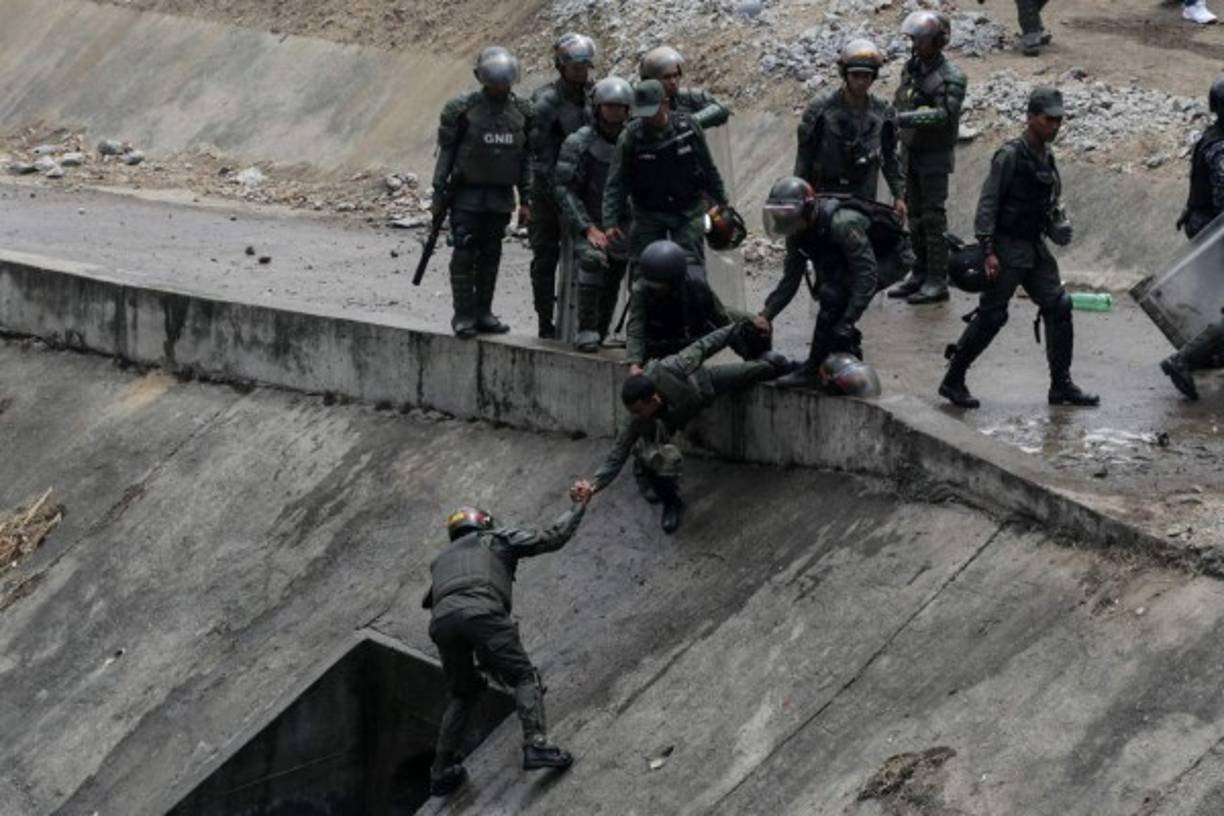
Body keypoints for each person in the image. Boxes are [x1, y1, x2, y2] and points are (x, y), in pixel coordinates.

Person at [939, 87, 1099, 409]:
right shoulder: (1011, 155)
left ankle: (1061, 384)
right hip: (1006, 247)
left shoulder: (1046, 157)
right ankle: (954, 378)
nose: (1054, 126)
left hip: (1033, 247)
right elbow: (988, 204)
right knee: (992, 315)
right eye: (1048, 119)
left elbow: (1049, 203)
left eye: (1058, 120)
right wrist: (988, 250)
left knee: (1059, 305)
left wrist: (1056, 228)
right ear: (1030, 118)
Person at [424, 492, 590, 797]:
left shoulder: (441, 560)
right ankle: (536, 745)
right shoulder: (495, 538)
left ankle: (440, 772)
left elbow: (430, 599)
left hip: (442, 623)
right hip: (482, 611)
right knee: (524, 676)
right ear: (484, 523)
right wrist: (579, 505)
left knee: (463, 693)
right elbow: (553, 537)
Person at [571, 323, 789, 534]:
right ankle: (671, 503)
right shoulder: (637, 421)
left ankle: (809, 370)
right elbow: (616, 456)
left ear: (653, 399)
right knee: (653, 461)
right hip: (662, 430)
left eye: (639, 410)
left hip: (704, 386)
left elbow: (707, 344)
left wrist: (741, 326)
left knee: (768, 368)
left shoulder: (673, 368)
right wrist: (593, 485)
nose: (635, 416)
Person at [759, 176, 912, 387]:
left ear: (807, 210)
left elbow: (866, 277)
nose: (783, 223)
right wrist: (766, 315)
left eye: (788, 216)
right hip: (850, 256)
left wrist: (848, 320)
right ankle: (842, 352)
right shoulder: (797, 229)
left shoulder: (843, 223)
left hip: (891, 257)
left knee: (835, 296)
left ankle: (813, 369)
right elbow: (790, 280)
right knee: (830, 291)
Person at [432, 47, 533, 339]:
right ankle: (463, 315)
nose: (500, 86)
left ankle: (484, 312)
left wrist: (526, 199)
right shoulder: (462, 110)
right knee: (464, 253)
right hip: (466, 196)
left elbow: (525, 159)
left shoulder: (523, 112)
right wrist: (439, 196)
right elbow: (446, 155)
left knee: (492, 255)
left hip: (501, 198)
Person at [603, 79, 730, 266]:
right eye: (643, 113)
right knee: (645, 272)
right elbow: (616, 182)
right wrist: (610, 221)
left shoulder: (689, 128)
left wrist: (721, 201)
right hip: (648, 214)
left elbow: (708, 168)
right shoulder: (630, 136)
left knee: (691, 270)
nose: (647, 119)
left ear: (665, 103)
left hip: (688, 212)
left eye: (651, 112)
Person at [888, 11, 967, 305]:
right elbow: (903, 98)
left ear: (938, 41)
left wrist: (903, 119)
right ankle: (919, 273)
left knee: (933, 219)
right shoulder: (912, 69)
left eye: (919, 40)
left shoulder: (952, 76)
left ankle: (937, 279)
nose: (915, 46)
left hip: (934, 155)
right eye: (913, 40)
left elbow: (945, 114)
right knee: (916, 217)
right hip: (911, 152)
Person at [554, 76, 633, 353]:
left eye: (620, 106)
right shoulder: (579, 143)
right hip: (590, 221)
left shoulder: (635, 140)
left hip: (625, 224)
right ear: (597, 107)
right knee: (593, 260)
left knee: (622, 272)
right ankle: (586, 328)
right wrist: (587, 227)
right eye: (608, 106)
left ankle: (605, 330)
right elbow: (564, 189)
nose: (614, 112)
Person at [530, 33, 598, 339]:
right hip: (549, 190)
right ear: (561, 65)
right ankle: (545, 320)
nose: (582, 70)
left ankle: (589, 323)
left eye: (586, 64)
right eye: (575, 64)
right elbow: (537, 153)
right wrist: (555, 192)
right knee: (545, 256)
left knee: (592, 255)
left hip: (584, 186)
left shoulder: (595, 96)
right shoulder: (546, 102)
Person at [1162, 77, 1224, 399]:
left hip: (1207, 226)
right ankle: (1183, 359)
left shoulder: (1214, 138)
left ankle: (1202, 353)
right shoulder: (1220, 148)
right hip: (1213, 230)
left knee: (1210, 297)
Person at [624, 239, 763, 373]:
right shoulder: (641, 290)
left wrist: (747, 355)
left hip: (693, 334)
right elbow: (636, 327)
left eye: (660, 287)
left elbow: (722, 321)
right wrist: (634, 363)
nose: (655, 291)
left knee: (750, 322)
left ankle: (761, 358)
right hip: (660, 341)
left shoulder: (697, 287)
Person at [638, 45, 732, 129]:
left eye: (675, 75)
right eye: (666, 77)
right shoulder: (642, 107)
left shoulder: (689, 97)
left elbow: (721, 110)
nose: (673, 82)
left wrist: (688, 123)